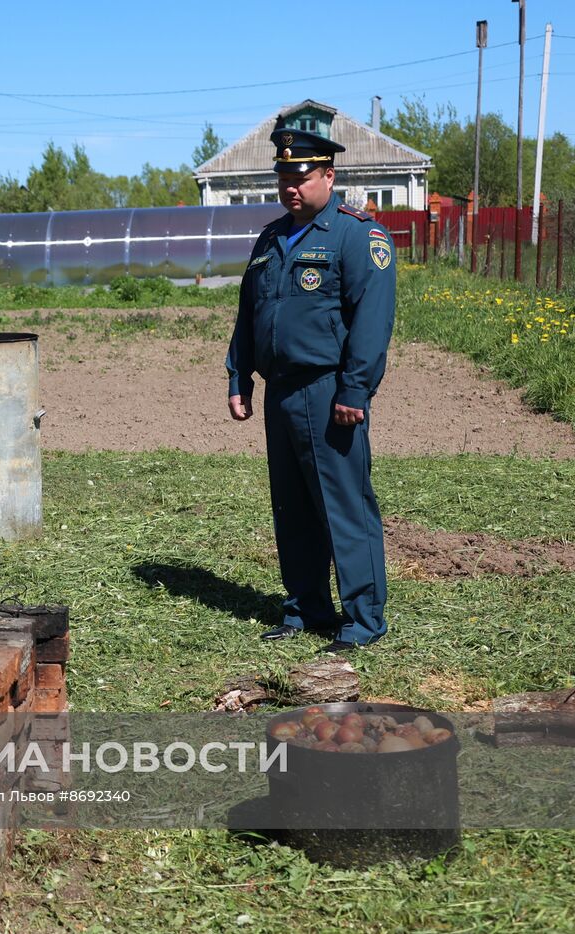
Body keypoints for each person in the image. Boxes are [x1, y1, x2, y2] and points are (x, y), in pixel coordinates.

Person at [226, 126, 396, 652]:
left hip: (329, 394)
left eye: (300, 176)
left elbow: (372, 321)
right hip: (281, 393)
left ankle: (363, 620)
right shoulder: (271, 238)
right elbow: (249, 313)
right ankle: (306, 608)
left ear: (329, 175)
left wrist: (355, 390)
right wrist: (239, 375)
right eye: (283, 178)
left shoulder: (357, 236)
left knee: (344, 506)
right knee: (293, 508)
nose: (290, 187)